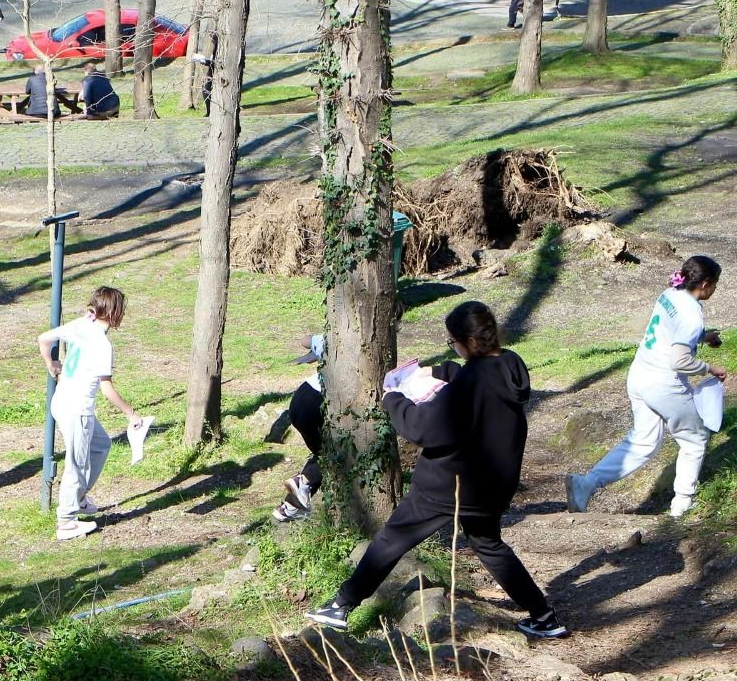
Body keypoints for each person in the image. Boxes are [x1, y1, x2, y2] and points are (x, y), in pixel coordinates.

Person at [306, 302, 569, 639]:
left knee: (393, 538)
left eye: (452, 343)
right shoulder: (510, 364)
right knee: (488, 544)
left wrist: (393, 398)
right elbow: (479, 380)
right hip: (496, 483)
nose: (453, 349)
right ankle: (544, 616)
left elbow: (423, 429)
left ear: (467, 342)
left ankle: (340, 606)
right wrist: (445, 370)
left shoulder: (469, 383)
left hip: (451, 484)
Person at [566, 257, 725, 518]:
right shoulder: (692, 315)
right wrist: (709, 368)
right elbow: (679, 360)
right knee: (695, 439)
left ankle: (585, 484)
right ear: (706, 284)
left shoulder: (670, 293)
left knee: (643, 441)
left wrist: (703, 337)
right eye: (715, 284)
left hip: (639, 375)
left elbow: (670, 329)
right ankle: (683, 504)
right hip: (664, 384)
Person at [38, 287, 144, 541]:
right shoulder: (102, 343)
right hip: (78, 410)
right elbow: (106, 387)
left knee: (100, 445)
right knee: (76, 465)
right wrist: (131, 414)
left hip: (62, 401)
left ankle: (80, 498)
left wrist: (51, 364)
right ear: (115, 312)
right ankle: (66, 522)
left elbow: (44, 339)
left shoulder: (81, 324)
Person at [273, 334, 326, 522]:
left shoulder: (337, 334)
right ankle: (302, 482)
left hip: (301, 397)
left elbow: (305, 340)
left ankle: (288, 508)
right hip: (316, 403)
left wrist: (320, 340)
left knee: (323, 452)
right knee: (335, 455)